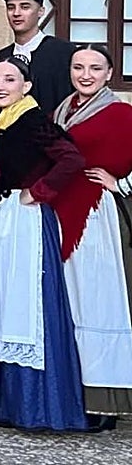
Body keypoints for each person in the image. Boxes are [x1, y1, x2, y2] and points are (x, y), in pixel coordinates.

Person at [0, 55, 88, 431]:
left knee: (24, 305)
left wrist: (38, 192)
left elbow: (71, 159)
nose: (0, 85)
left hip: (24, 223)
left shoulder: (33, 120)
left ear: (27, 86)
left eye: (9, 79)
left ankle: (35, 405)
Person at [52, 45, 132, 432]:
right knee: (71, 304)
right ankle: (74, 395)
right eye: (79, 67)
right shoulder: (60, 111)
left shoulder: (122, 114)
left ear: (110, 72)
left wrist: (122, 184)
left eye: (95, 68)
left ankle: (106, 401)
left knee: (100, 305)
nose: (86, 74)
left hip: (98, 220)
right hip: (62, 215)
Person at [0, 0, 74, 112]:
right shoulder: (1, 57)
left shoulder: (62, 52)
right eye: (11, 8)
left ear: (41, 11)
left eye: (25, 7)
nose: (16, 13)